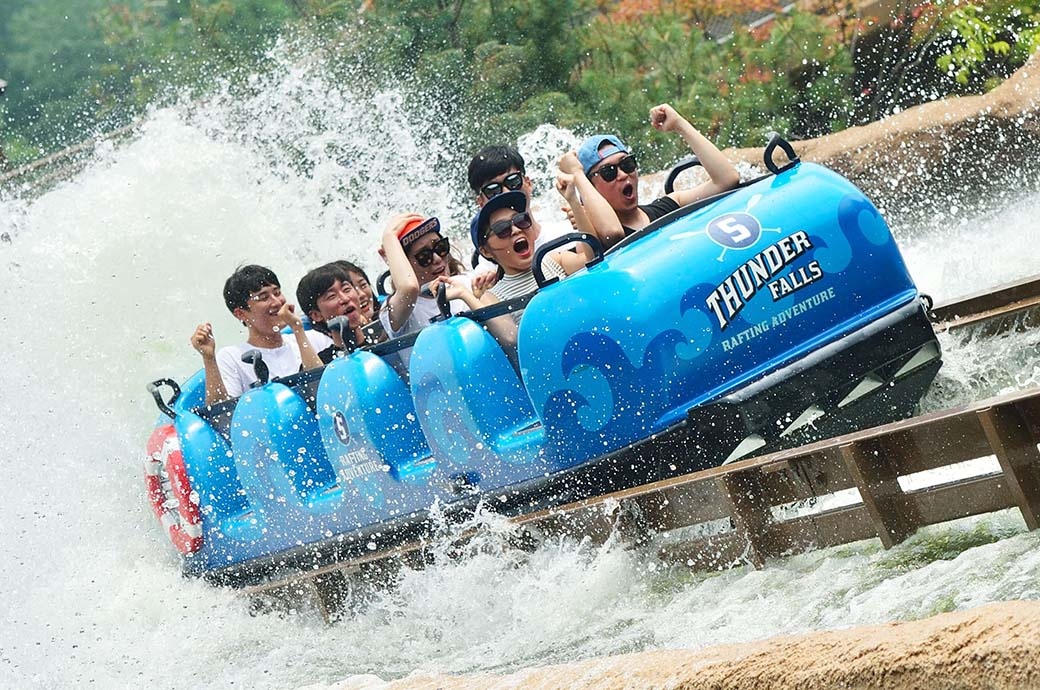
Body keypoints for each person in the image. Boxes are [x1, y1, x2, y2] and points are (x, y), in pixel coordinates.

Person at [570, 103, 741, 242]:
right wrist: (577, 175)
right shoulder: (595, 242)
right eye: (609, 172)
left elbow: (727, 180)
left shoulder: (667, 207)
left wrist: (679, 124)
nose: (622, 175)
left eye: (627, 164)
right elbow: (612, 234)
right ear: (591, 188)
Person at [190, 264, 330, 406]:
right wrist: (208, 358)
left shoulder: (315, 338)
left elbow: (325, 391)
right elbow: (221, 414)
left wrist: (297, 329)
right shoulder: (231, 357)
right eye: (263, 298)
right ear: (240, 313)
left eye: (277, 293)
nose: (276, 302)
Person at [472, 190, 596, 308]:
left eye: (520, 220)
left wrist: (573, 201)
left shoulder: (555, 261)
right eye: (502, 229)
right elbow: (506, 331)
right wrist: (464, 295)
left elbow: (593, 259)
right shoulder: (492, 298)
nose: (516, 230)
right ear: (486, 251)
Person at [296, 263, 373, 362]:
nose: (345, 299)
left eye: (346, 289)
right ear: (316, 315)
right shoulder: (323, 365)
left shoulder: (384, 343)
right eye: (331, 296)